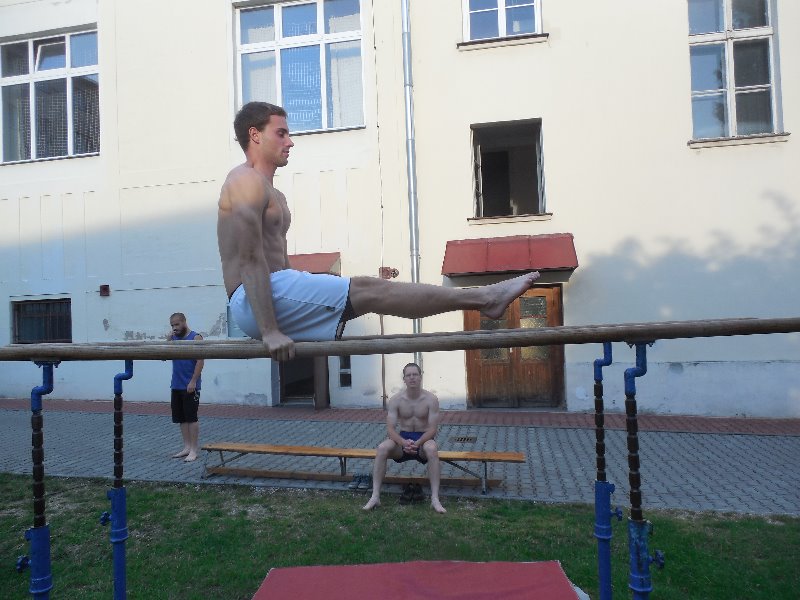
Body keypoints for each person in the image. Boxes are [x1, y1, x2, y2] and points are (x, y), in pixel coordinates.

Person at [218, 102, 540, 361]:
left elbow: (280, 264)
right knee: (370, 290)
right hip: (252, 300)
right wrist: (270, 330)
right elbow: (250, 259)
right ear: (255, 135)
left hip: (272, 294)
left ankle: (484, 299)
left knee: (371, 290)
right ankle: (485, 298)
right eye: (281, 133)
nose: (290, 142)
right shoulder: (244, 181)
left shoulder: (275, 194)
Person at [363, 363, 446, 513]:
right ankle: (375, 496)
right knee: (382, 448)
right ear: (404, 379)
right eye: (409, 375)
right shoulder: (396, 400)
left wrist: (418, 443)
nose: (412, 377)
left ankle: (435, 498)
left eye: (415, 374)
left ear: (420, 377)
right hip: (403, 439)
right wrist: (402, 442)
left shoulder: (431, 399)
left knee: (432, 448)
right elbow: (390, 429)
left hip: (423, 440)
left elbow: (433, 429)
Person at [168, 313, 204, 462]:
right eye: (172, 325)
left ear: (184, 322)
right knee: (181, 418)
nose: (174, 328)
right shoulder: (173, 338)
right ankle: (187, 447)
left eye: (177, 324)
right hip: (176, 384)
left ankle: (194, 450)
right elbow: (164, 356)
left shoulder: (196, 337)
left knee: (191, 417)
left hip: (190, 385)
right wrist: (168, 340)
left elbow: (200, 361)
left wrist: (193, 381)